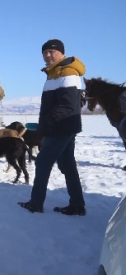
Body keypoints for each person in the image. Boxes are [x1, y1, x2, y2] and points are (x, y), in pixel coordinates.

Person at [19, 39, 87, 215]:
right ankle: (77, 205)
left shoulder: (68, 72)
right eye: (45, 52)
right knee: (67, 165)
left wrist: (46, 124)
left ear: (61, 52)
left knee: (42, 162)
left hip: (60, 127)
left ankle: (36, 203)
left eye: (51, 51)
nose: (48, 55)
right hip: (63, 126)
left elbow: (67, 105)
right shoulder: (54, 73)